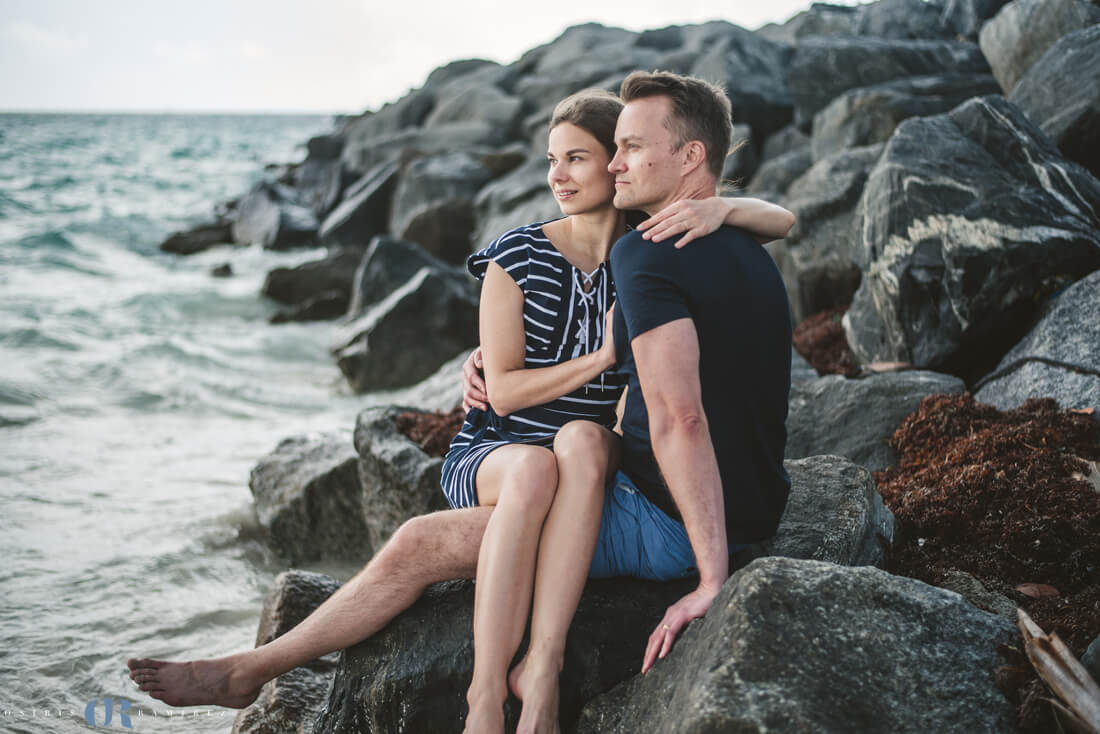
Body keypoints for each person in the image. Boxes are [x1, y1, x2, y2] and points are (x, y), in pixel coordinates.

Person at [126, 84, 793, 734]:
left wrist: (722, 209)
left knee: (489, 501)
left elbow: (773, 231)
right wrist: (582, 359)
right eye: (560, 159)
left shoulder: (646, 245)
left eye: (588, 156)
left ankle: (500, 680)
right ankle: (463, 688)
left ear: (684, 158)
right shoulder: (532, 254)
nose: (574, 172)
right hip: (515, 449)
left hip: (596, 465)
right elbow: (506, 392)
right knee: (538, 468)